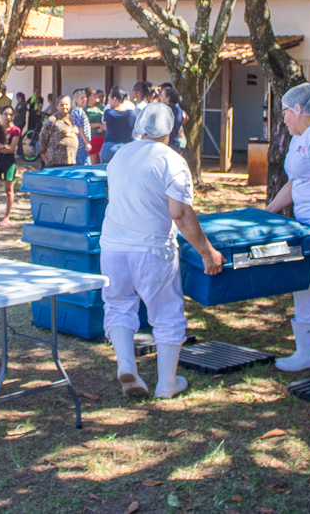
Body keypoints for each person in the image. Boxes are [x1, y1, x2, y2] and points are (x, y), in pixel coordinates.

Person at [101, 103, 223, 400]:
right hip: (152, 248)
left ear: (139, 127)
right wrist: (207, 251)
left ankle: (127, 366)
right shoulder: (173, 161)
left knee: (118, 305)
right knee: (167, 313)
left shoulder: (118, 156)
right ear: (170, 132)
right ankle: (167, 383)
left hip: (113, 246)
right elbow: (180, 214)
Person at [264, 83, 310, 373]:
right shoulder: (299, 137)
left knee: (307, 286)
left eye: (286, 112)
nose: (284, 119)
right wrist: (267, 213)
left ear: (300, 109)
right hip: (304, 223)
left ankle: (307, 352)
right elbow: (295, 184)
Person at [0, 105, 21, 227]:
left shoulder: (15, 130)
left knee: (9, 190)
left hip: (9, 162)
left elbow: (11, 149)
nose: (8, 117)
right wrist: (1, 148)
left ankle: (7, 216)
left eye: (10, 114)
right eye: (5, 114)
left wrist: (1, 148)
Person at [38, 94, 79, 168]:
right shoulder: (52, 120)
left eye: (66, 104)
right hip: (55, 160)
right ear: (57, 106)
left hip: (70, 159)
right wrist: (43, 153)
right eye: (62, 105)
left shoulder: (72, 119)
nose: (64, 107)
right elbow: (43, 137)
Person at [100, 87, 138, 163]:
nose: (108, 102)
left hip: (110, 146)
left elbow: (105, 127)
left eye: (109, 100)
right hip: (128, 146)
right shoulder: (131, 113)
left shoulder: (108, 113)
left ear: (114, 99)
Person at [161, 84, 186, 154]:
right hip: (175, 143)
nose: (160, 98)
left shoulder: (164, 110)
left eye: (162, 96)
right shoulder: (179, 110)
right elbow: (185, 118)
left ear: (168, 98)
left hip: (167, 144)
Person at [70, 89, 92, 166]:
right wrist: (86, 143)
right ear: (76, 99)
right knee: (85, 165)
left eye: (85, 97)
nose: (84, 100)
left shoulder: (79, 110)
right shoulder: (78, 111)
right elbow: (80, 129)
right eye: (81, 98)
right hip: (81, 145)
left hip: (80, 145)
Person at [85, 89, 105, 163]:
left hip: (102, 136)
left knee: (102, 160)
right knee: (94, 162)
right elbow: (85, 124)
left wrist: (103, 126)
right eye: (94, 95)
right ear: (89, 97)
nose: (97, 96)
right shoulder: (86, 109)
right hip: (92, 137)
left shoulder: (101, 107)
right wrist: (98, 125)